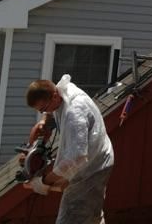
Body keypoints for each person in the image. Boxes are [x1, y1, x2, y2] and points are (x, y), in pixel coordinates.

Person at [24, 74, 114, 224]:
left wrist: (44, 181)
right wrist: (45, 121)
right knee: (90, 215)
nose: (43, 112)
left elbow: (77, 157)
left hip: (93, 166)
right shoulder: (62, 91)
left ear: (54, 96)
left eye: (43, 109)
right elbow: (50, 110)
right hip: (96, 156)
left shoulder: (74, 112)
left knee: (70, 217)